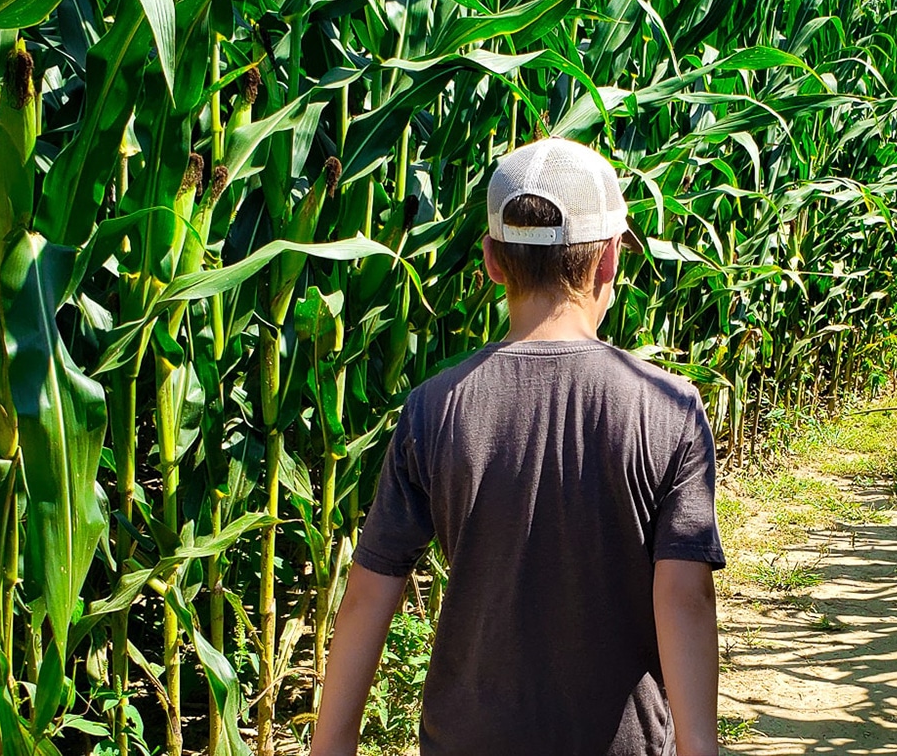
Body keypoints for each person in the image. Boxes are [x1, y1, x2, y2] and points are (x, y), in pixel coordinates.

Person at [309, 137, 725, 756]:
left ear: (492, 262)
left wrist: (331, 743)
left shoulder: (433, 407)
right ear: (609, 259)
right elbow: (684, 598)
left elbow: (372, 592)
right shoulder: (669, 408)